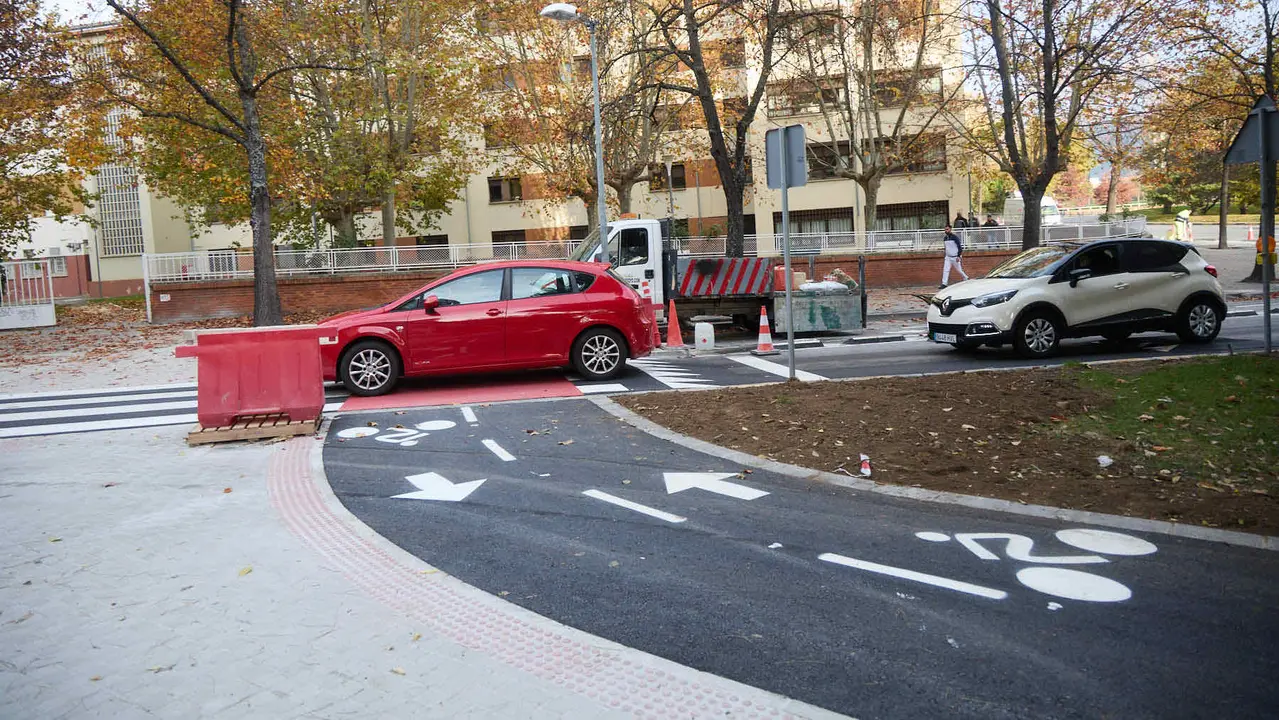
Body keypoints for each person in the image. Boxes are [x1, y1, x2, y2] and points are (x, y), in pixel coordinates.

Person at [940, 224, 968, 288]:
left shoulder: (955, 237)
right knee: (945, 270)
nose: (946, 230)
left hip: (955, 257)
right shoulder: (945, 238)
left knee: (959, 270)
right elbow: (946, 247)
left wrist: (958, 256)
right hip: (948, 257)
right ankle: (944, 283)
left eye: (947, 229)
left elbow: (959, 247)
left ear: (950, 229)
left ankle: (966, 277)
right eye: (945, 229)